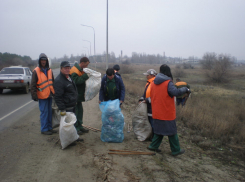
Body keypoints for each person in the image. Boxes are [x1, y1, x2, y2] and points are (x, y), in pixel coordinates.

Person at [147, 64, 190, 156]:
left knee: (159, 131)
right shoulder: (168, 82)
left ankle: (153, 146)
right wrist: (185, 89)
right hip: (166, 112)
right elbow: (175, 92)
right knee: (172, 131)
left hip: (156, 111)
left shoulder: (154, 82)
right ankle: (175, 150)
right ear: (168, 72)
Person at [54, 61, 83, 142]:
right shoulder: (59, 81)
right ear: (61, 69)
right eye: (65, 68)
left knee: (72, 124)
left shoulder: (68, 77)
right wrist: (62, 109)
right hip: (66, 107)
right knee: (68, 126)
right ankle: (69, 140)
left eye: (68, 68)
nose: (67, 70)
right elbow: (58, 97)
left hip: (72, 105)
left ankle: (74, 138)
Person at [31, 53, 55, 135]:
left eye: (44, 60)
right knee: (44, 112)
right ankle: (44, 129)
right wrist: (34, 95)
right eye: (42, 60)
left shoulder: (49, 70)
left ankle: (49, 127)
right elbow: (33, 84)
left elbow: (53, 82)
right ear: (39, 61)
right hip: (42, 96)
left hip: (49, 95)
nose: (43, 61)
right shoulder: (36, 71)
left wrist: (54, 92)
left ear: (46, 61)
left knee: (49, 112)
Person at [70, 57, 90, 135]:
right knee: (76, 112)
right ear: (82, 63)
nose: (87, 67)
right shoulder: (74, 70)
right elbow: (76, 81)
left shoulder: (81, 70)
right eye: (86, 65)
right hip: (75, 95)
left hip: (79, 95)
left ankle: (80, 126)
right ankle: (76, 128)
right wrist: (85, 76)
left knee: (80, 111)